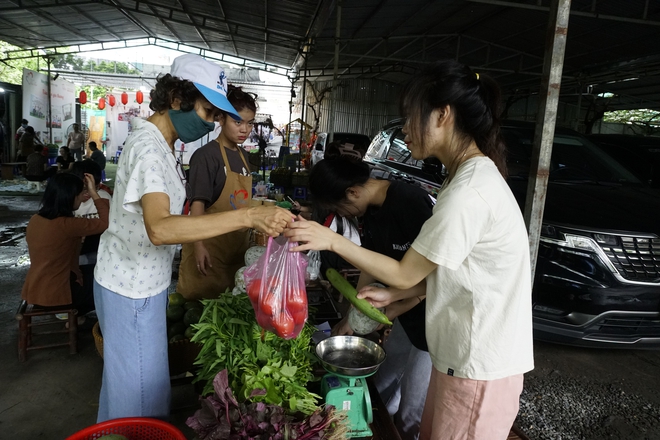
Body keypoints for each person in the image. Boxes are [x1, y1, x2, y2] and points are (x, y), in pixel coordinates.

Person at [285, 60, 534, 440]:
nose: (404, 129)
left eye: (409, 117)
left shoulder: (469, 192)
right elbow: (452, 269)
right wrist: (397, 294)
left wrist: (332, 240)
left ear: (443, 115)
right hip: (460, 357)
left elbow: (407, 271)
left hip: (478, 362)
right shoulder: (465, 179)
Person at [93, 53, 292, 423]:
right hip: (131, 286)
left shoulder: (163, 145)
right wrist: (247, 215)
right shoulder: (149, 149)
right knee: (139, 398)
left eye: (218, 116)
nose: (211, 123)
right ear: (176, 99)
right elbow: (161, 228)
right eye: (207, 113)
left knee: (129, 386)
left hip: (140, 281)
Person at [311, 156, 435, 440]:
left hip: (435, 319)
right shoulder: (370, 209)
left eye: (340, 209)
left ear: (352, 192)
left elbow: (435, 274)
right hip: (406, 314)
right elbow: (369, 263)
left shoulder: (409, 202)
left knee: (413, 408)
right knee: (384, 381)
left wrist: (393, 308)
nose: (345, 216)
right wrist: (353, 315)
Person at [176, 85, 257, 299]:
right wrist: (199, 246)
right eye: (237, 121)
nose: (244, 130)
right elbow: (197, 205)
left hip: (235, 254)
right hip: (208, 253)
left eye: (250, 123)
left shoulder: (243, 156)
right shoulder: (206, 156)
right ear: (221, 119)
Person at [22, 172, 109, 326]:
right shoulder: (68, 224)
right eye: (80, 194)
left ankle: (78, 316)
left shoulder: (35, 219)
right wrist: (94, 192)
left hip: (36, 288)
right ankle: (80, 316)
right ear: (69, 197)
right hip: (57, 294)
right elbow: (106, 221)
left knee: (97, 269)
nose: (83, 198)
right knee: (110, 282)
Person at [70, 159, 113, 294]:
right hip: (77, 248)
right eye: (83, 188)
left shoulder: (103, 197)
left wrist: (95, 194)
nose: (87, 192)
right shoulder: (70, 198)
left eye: (93, 187)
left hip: (98, 247)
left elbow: (108, 223)